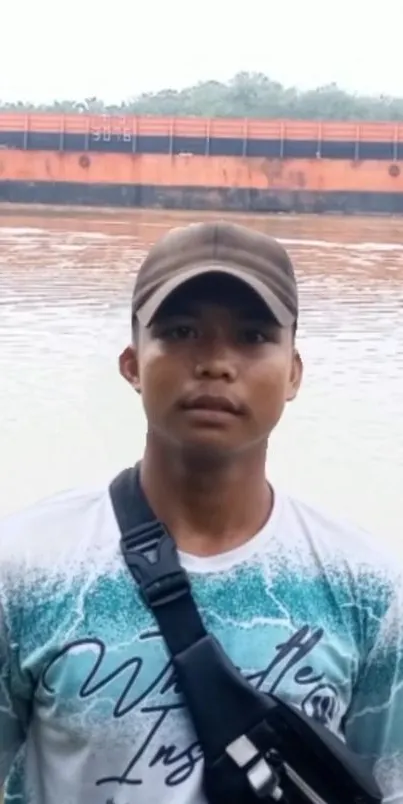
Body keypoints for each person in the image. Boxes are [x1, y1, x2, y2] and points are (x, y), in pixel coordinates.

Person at [0, 221, 402, 804]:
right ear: (132, 363)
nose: (215, 362)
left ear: (293, 372)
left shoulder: (367, 589)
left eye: (254, 335)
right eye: (181, 331)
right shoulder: (27, 570)